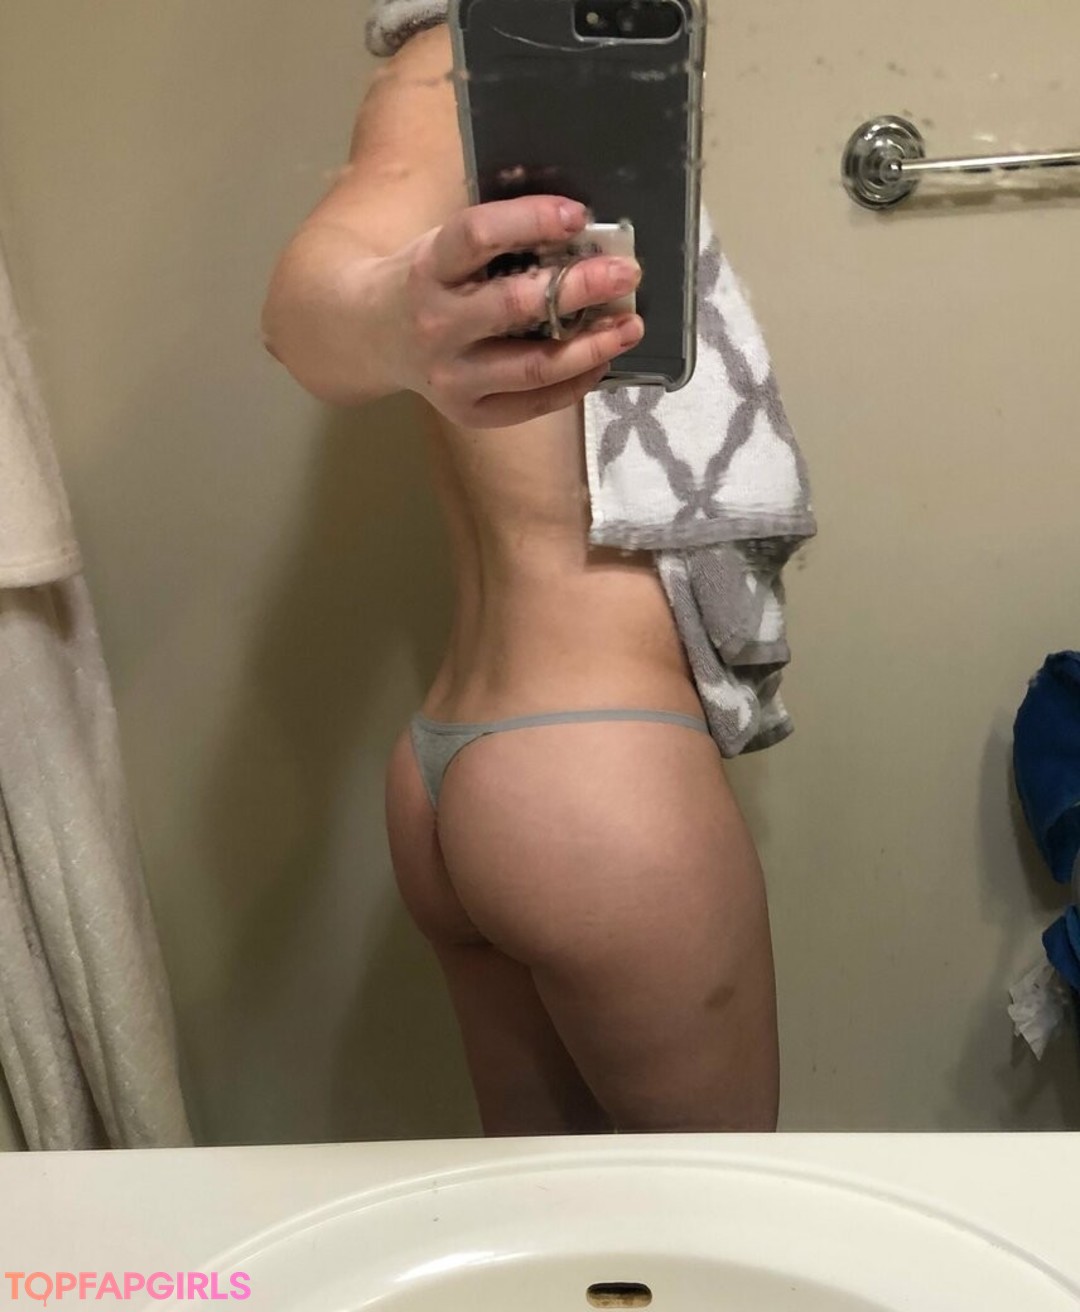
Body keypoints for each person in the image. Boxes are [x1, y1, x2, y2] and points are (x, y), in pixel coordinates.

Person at [261, 21, 778, 1135]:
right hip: (594, 772)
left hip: (478, 759)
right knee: (721, 1223)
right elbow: (310, 298)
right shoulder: (469, 56)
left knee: (553, 1228)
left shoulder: (535, 81)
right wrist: (390, 318)